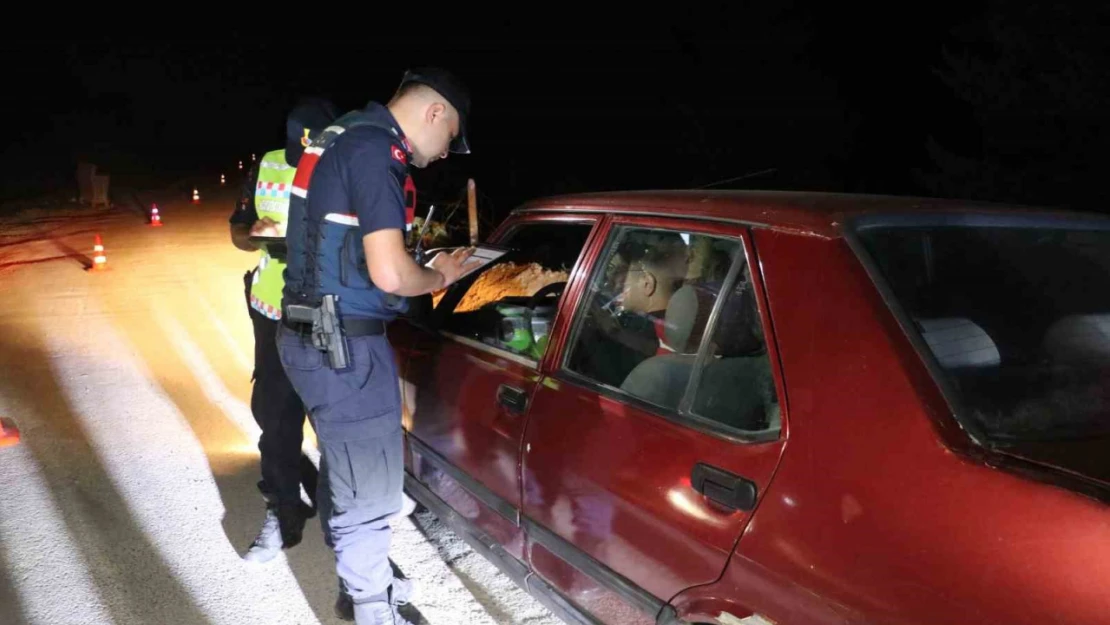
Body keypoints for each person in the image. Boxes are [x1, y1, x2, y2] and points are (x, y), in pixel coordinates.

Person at [276, 67, 479, 624]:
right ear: (434, 112)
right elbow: (390, 274)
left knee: (347, 469)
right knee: (371, 496)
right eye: (449, 140)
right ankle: (370, 607)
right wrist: (437, 277)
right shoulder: (375, 150)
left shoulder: (342, 134)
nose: (443, 156)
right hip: (343, 348)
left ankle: (359, 579)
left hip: (309, 336)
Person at [229, 97, 338, 563]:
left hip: (330, 312)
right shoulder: (270, 166)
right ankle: (284, 512)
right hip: (271, 305)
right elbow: (237, 231)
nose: (303, 162)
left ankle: (347, 530)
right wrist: (255, 231)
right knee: (275, 416)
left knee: (335, 424)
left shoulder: (350, 169)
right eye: (299, 151)